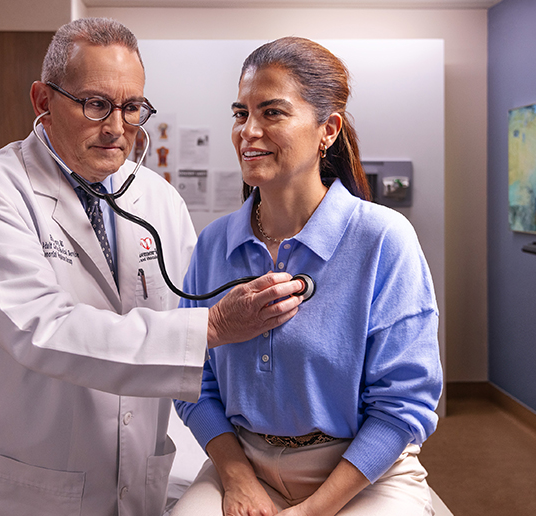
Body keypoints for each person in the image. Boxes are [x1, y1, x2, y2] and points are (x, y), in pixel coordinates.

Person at [0, 19, 305, 516]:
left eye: (132, 107)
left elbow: (187, 335)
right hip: (22, 483)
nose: (116, 127)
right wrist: (215, 324)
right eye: (95, 103)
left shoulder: (157, 199)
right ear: (43, 101)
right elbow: (41, 330)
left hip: (132, 478)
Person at [173, 37, 443, 516]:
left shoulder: (383, 239)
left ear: (328, 131)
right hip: (245, 461)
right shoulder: (215, 244)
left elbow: (404, 404)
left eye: (272, 113)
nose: (248, 131)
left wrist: (311, 511)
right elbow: (192, 382)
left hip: (362, 471)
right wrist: (237, 479)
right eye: (240, 114)